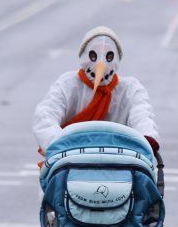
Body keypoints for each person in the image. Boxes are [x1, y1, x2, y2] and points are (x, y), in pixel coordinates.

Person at [33, 26, 159, 154]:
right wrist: (58, 143)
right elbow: (46, 114)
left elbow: (141, 114)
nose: (101, 63)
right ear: (84, 55)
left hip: (119, 160)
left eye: (108, 56)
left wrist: (147, 137)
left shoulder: (130, 89)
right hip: (70, 157)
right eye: (94, 54)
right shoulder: (68, 84)